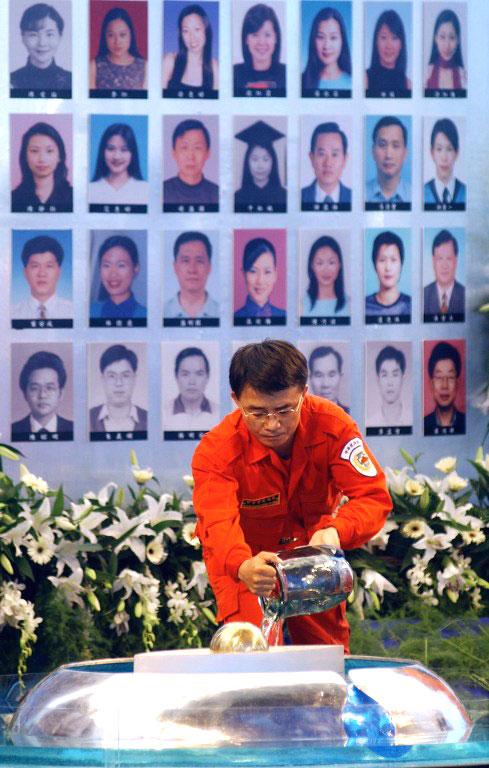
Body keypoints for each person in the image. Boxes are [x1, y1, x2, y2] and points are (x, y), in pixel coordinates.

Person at [192, 340, 392, 649]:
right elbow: (217, 524)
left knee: (325, 655)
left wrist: (336, 531)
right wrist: (242, 565)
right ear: (236, 400)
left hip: (313, 552)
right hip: (246, 558)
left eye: (285, 409)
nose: (272, 424)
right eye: (256, 412)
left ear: (304, 393)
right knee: (250, 651)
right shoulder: (217, 450)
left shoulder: (334, 427)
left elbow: (373, 498)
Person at [11, 121, 73, 212]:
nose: (42, 159)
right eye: (34, 151)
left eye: (49, 151)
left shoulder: (72, 197)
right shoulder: (14, 199)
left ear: (60, 156)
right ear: (25, 157)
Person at [10, 3, 71, 92]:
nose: (42, 43)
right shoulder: (10, 81)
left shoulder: (71, 81)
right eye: (33, 35)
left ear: (60, 36)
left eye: (49, 34)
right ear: (23, 37)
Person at [12, 350, 73, 437]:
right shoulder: (13, 431)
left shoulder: (73, 429)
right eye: (35, 388)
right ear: (25, 394)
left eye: (50, 388)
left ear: (61, 393)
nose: (42, 395)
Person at [12, 235, 72, 320]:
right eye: (35, 266)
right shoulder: (12, 314)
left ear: (59, 272)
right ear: (25, 272)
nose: (42, 273)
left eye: (49, 266)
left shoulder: (72, 312)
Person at [90, 344, 147, 434]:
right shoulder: (88, 418)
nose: (119, 383)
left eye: (125, 376)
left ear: (134, 379)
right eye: (112, 376)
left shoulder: (149, 419)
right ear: (103, 380)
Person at [162, 3, 218, 94]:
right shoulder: (170, 61)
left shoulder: (214, 67)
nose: (192, 37)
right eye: (186, 31)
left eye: (197, 29)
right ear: (181, 34)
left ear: (206, 31)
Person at [89, 122, 148, 206]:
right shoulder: (91, 190)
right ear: (102, 151)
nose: (117, 156)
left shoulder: (145, 190)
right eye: (111, 149)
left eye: (124, 150)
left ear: (132, 154)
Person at [89, 6, 147, 91]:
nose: (117, 42)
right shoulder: (94, 66)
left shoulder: (144, 67)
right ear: (104, 37)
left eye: (122, 35)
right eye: (111, 35)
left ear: (131, 35)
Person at [163, 119, 219, 207]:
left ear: (208, 153)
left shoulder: (217, 194)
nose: (190, 156)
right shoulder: (162, 192)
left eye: (197, 148)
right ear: (174, 153)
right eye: (184, 147)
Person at [164, 231, 219, 320]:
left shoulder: (221, 313)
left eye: (199, 261)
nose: (192, 270)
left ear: (209, 267)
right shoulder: (162, 313)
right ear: (175, 267)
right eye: (185, 261)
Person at [90, 235, 146, 320]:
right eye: (106, 265)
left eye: (121, 265)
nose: (113, 274)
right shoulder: (90, 311)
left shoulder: (146, 316)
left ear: (136, 269)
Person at [163, 347, 218, 431]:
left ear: (207, 377)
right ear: (176, 376)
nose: (192, 382)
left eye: (199, 374)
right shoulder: (163, 414)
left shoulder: (220, 413)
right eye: (185, 374)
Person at [234, 120, 286, 210]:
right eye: (254, 159)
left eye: (265, 159)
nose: (260, 166)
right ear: (247, 162)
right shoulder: (238, 197)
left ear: (273, 162)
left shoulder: (284, 196)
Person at [233, 3, 285, 93]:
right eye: (255, 35)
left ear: (276, 38)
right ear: (246, 39)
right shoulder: (233, 74)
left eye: (267, 35)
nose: (261, 42)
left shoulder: (288, 74)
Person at [301, 6, 352, 92]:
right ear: (313, 40)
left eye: (333, 38)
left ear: (342, 41)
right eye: (321, 37)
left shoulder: (354, 82)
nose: (326, 45)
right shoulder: (301, 82)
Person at [234, 237, 285, 320]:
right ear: (244, 274)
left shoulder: (284, 316)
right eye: (253, 271)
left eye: (267, 272)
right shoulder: (234, 318)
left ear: (275, 275)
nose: (260, 281)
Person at [302, 122, 351, 206]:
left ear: (344, 160)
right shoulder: (300, 197)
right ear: (311, 158)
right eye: (321, 154)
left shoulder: (354, 198)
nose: (328, 163)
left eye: (334, 154)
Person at [365, 9, 411, 96]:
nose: (389, 46)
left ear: (402, 44)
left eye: (394, 38)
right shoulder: (365, 78)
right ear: (376, 42)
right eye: (383, 37)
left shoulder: (408, 85)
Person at [366, 116, 410, 205]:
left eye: (395, 145)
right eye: (382, 145)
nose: (388, 155)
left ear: (405, 153)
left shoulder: (414, 195)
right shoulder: (361, 194)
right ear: (373, 152)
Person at [365, 231, 411, 318]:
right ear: (374, 265)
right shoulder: (365, 306)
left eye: (393, 260)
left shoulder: (411, 305)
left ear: (401, 265)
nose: (388, 268)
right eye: (382, 260)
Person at [424, 341, 465, 435]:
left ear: (457, 383)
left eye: (450, 377)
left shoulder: (467, 422)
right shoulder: (424, 425)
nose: (445, 385)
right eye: (439, 377)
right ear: (431, 384)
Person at [303, 235, 349, 318]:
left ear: (339, 265)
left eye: (331, 262)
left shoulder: (350, 304)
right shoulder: (302, 305)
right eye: (319, 263)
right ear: (312, 266)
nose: (326, 270)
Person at [424, 118, 466, 207]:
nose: (444, 157)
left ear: (456, 153)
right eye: (439, 149)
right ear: (432, 153)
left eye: (449, 149)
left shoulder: (465, 192)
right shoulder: (423, 192)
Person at [424, 229, 465, 315]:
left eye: (449, 258)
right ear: (433, 262)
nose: (444, 265)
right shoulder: (423, 295)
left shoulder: (465, 294)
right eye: (440, 259)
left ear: (456, 261)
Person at [425, 9, 466, 91]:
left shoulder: (464, 76)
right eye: (442, 37)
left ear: (458, 40)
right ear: (435, 38)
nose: (447, 45)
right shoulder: (426, 74)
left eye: (452, 37)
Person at [368, 346, 410, 427]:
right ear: (378, 379)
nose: (390, 382)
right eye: (384, 375)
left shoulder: (411, 420)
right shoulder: (370, 423)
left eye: (395, 375)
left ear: (403, 378)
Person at [308, 346, 349, 413]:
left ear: (340, 377)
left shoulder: (349, 415)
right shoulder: (300, 417)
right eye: (319, 375)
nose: (325, 384)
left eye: (331, 375)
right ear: (310, 378)